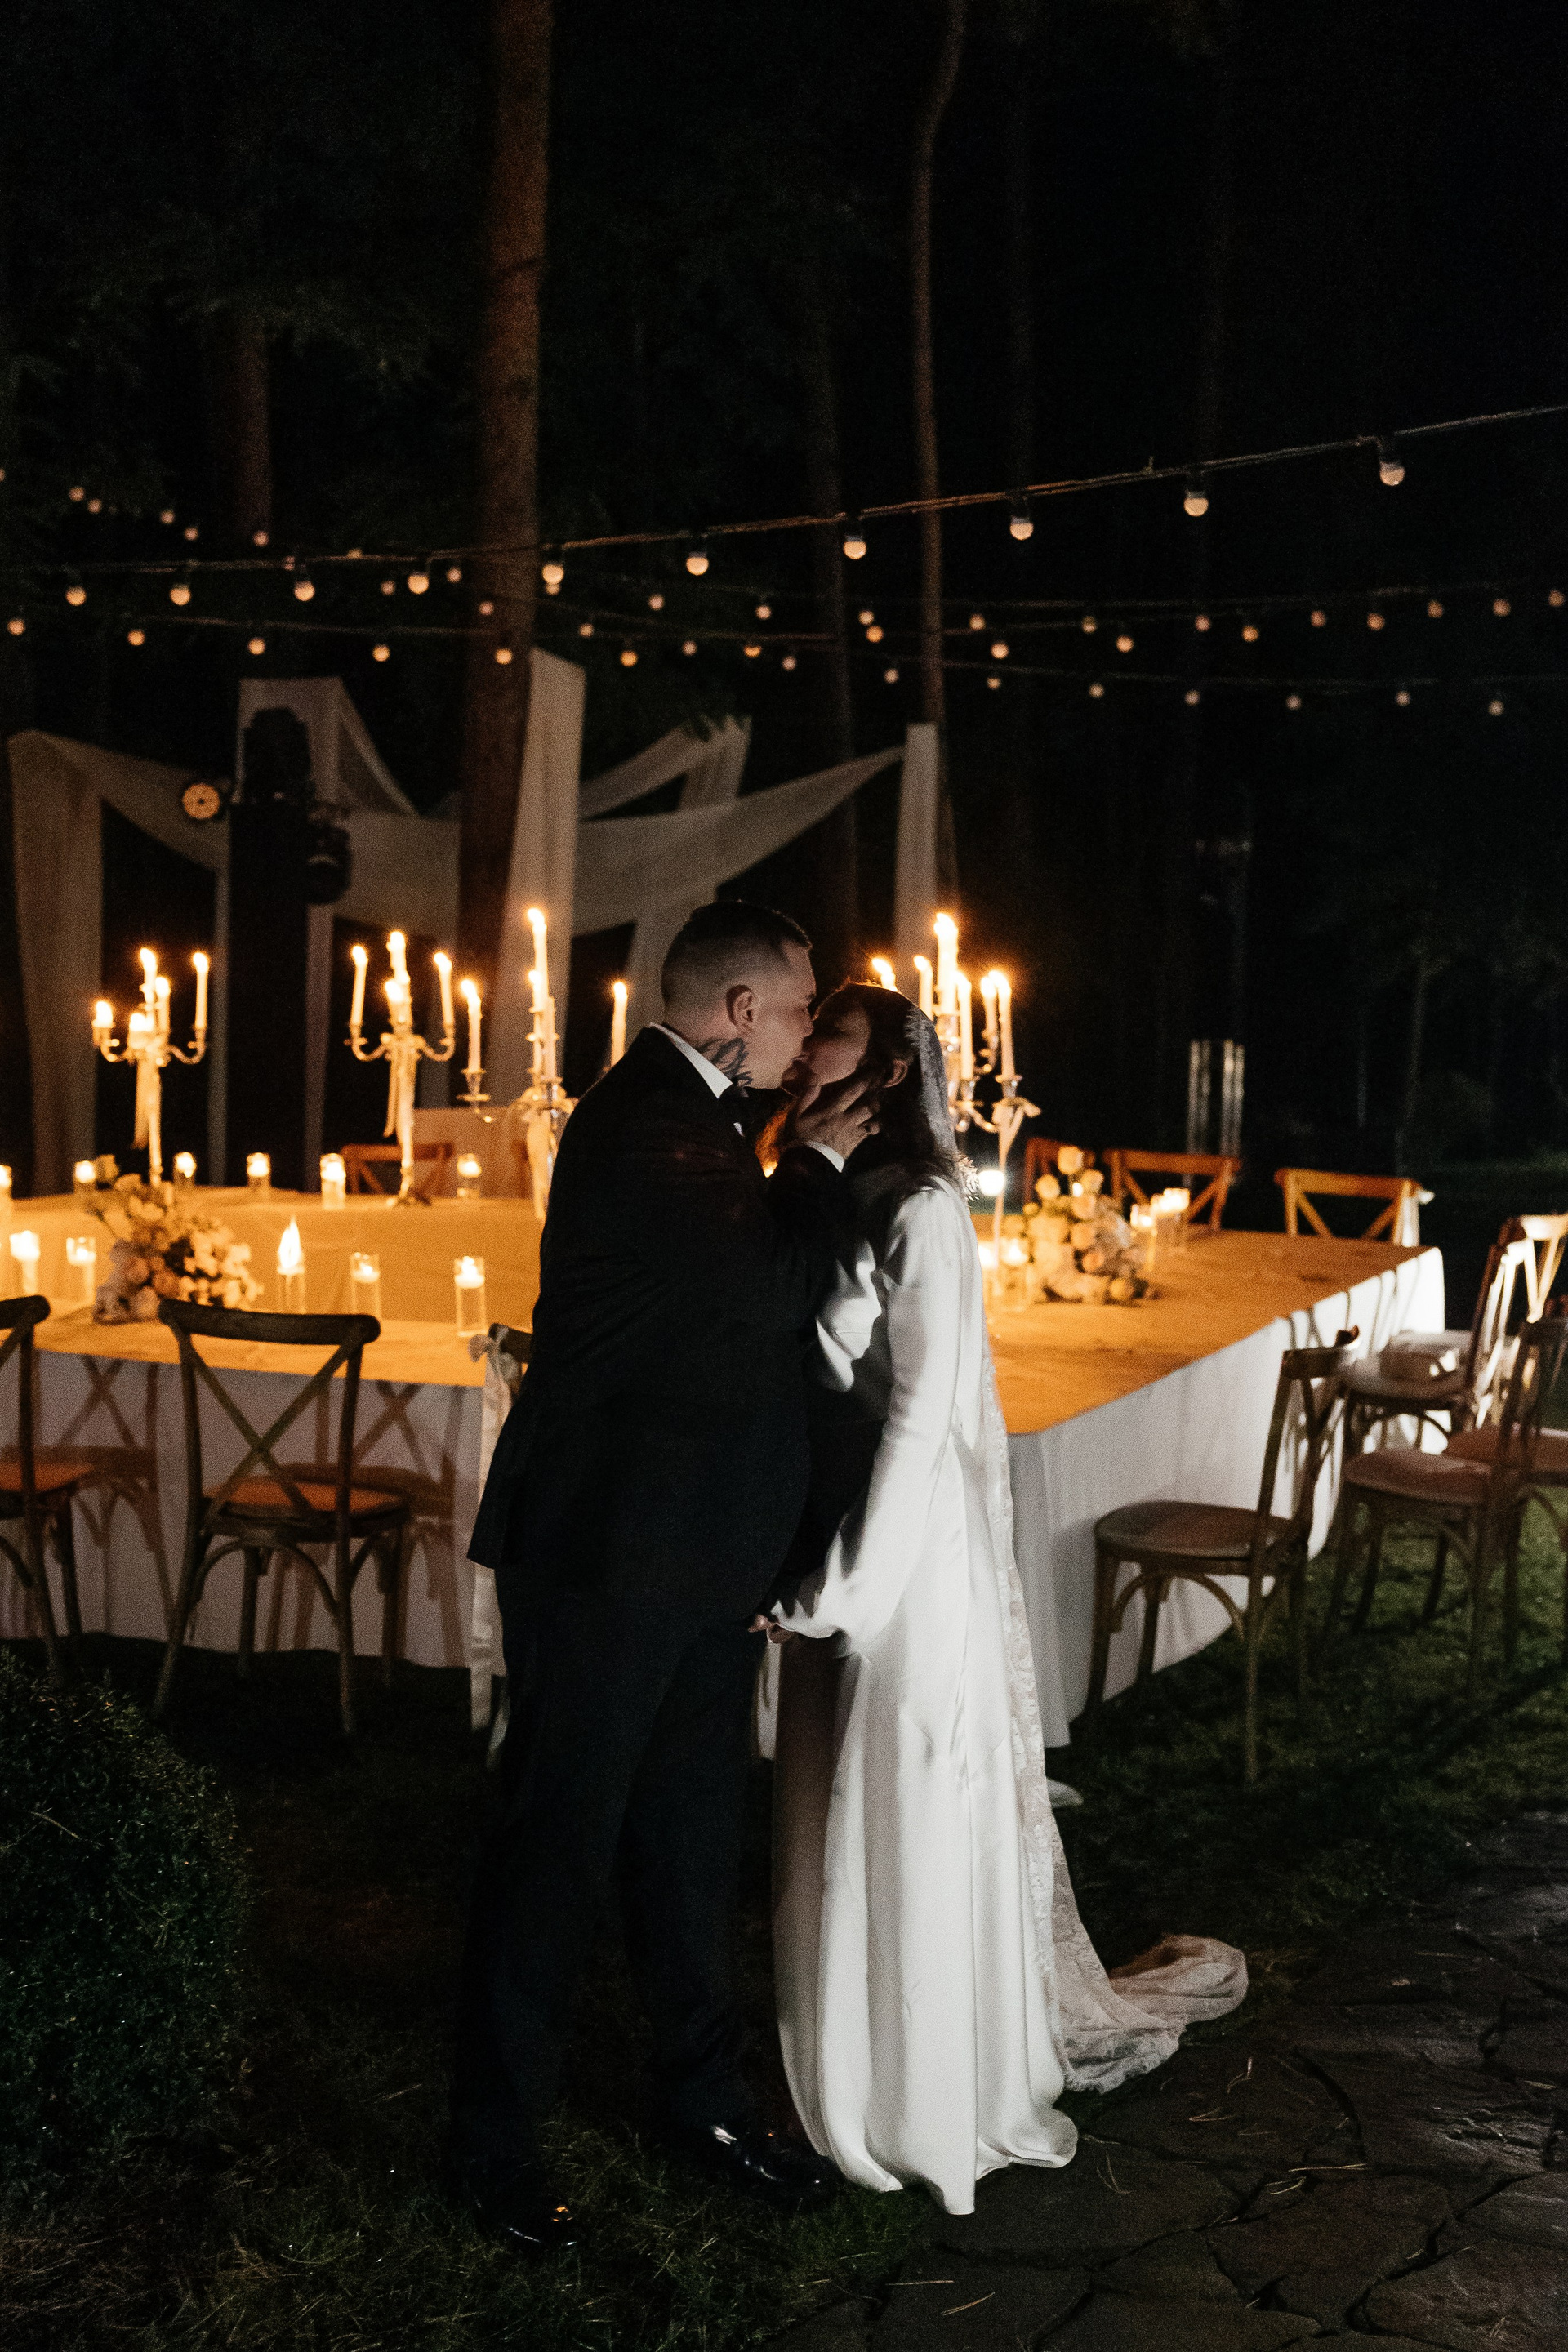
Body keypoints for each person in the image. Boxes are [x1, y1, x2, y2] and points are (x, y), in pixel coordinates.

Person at [769, 982, 1247, 2217]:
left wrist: (847, 1587)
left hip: (902, 1551)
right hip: (833, 1526)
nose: (803, 1045)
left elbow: (922, 1416)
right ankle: (847, 2067)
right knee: (830, 1806)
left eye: (828, 1031)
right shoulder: (826, 1186)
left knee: (905, 1789)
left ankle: (927, 2091)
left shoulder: (923, 1206)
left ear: (886, 1069)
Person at [452, 903, 875, 2257]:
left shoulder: (701, 1119)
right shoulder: (642, 1121)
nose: (805, 1034)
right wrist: (817, 1161)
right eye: (798, 1008)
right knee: (559, 1846)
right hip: (602, 1555)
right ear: (741, 1011)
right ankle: (493, 2146)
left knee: (691, 1841)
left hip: (696, 1556)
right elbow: (767, 1290)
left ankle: (704, 2104)